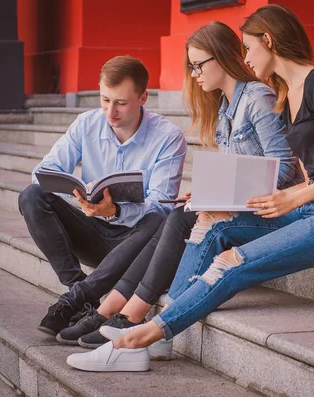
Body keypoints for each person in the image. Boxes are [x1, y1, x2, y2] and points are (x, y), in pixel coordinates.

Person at [66, 4, 314, 372]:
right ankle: (162, 339)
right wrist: (225, 193)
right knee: (211, 222)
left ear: (268, 41)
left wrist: (293, 196)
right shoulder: (286, 93)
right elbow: (308, 170)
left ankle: (137, 338)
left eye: (248, 47)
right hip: (308, 207)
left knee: (231, 262)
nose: (245, 58)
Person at [55, 21, 302, 353]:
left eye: (199, 64)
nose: (195, 73)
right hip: (248, 205)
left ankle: (128, 313)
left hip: (274, 212)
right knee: (176, 212)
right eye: (191, 65)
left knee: (176, 218)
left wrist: (226, 195)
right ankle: (110, 309)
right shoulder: (226, 107)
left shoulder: (257, 97)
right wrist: (210, 192)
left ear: (223, 58)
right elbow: (240, 170)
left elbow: (284, 168)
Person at [18, 55, 187, 337]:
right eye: (105, 100)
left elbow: (161, 204)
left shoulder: (168, 137)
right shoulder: (87, 124)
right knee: (32, 196)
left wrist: (115, 211)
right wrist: (81, 193)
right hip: (93, 232)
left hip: (138, 245)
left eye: (121, 102)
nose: (111, 112)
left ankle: (75, 299)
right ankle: (79, 293)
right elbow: (42, 172)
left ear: (143, 97)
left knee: (160, 216)